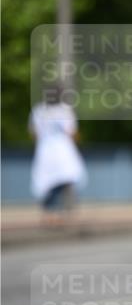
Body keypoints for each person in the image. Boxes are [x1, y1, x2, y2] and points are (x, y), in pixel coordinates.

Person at [29, 92, 87, 226]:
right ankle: (62, 213)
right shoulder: (64, 110)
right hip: (63, 150)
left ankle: (50, 213)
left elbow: (34, 132)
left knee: (49, 183)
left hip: (45, 150)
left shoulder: (39, 110)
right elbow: (72, 132)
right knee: (65, 181)